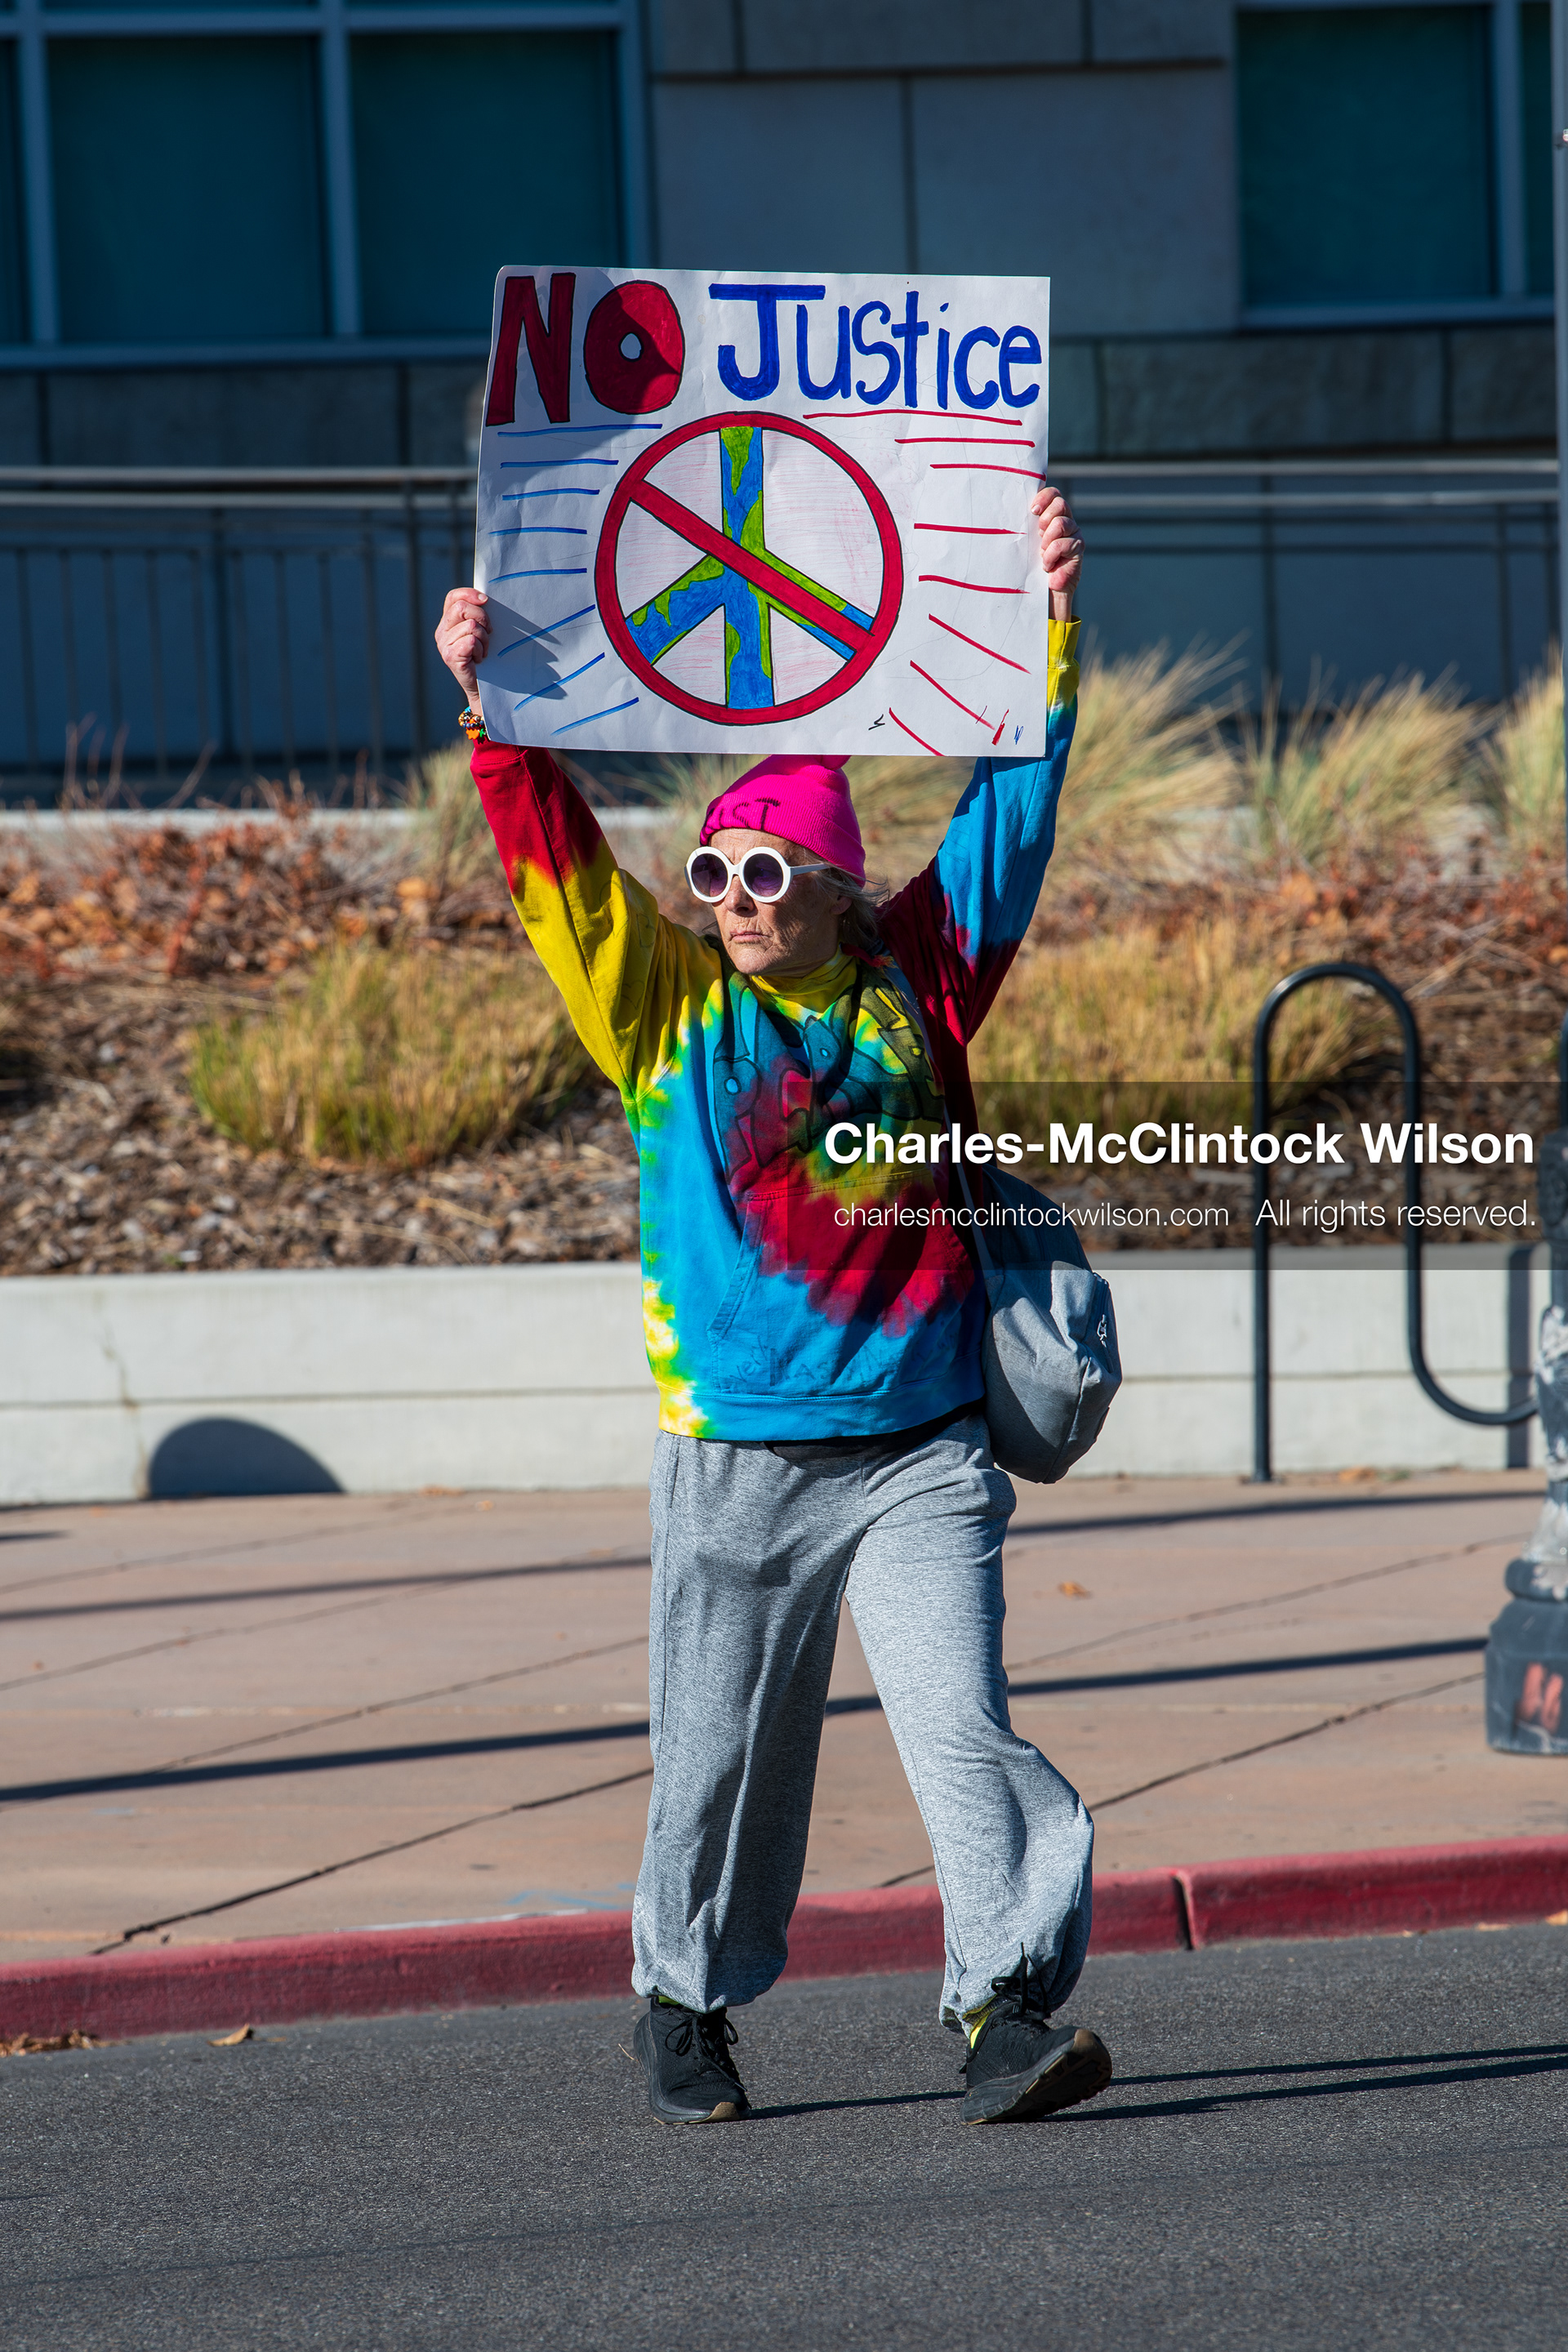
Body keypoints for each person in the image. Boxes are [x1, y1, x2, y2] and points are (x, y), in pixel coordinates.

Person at [434, 483, 1111, 2127]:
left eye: (759, 872)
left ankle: (1004, 2014)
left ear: (832, 884)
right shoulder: (664, 1012)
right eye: (714, 871)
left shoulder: (920, 985)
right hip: (731, 1457)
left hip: (922, 1456)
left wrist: (1046, 623)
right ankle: (683, 2001)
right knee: (722, 1767)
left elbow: (1011, 807)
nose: (726, 896)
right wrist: (498, 713)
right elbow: (563, 878)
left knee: (966, 1744)